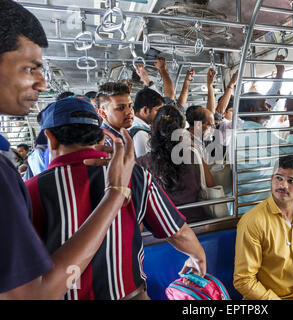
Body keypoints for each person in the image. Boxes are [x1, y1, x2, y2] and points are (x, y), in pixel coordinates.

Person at [0, 0, 136, 299]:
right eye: (30, 67)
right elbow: (31, 295)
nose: (41, 82)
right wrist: (116, 192)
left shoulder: (32, 185)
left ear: (50, 138)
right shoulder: (130, 175)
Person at [25, 97, 207, 299]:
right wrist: (197, 256)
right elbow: (177, 232)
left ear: (51, 138)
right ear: (100, 136)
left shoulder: (30, 191)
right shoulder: (134, 175)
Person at [233, 155, 293, 300]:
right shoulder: (253, 221)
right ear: (271, 179)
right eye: (278, 178)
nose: (283, 185)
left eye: (291, 181)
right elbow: (244, 280)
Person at [137, 105, 210, 224]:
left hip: (160, 228)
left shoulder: (140, 164)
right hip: (196, 222)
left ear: (153, 129)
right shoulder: (193, 155)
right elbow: (207, 185)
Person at [96, 81, 134, 146]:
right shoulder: (105, 142)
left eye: (130, 106)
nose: (129, 112)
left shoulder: (124, 134)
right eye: (121, 108)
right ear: (103, 113)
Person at [130, 86, 164, 157]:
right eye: (157, 111)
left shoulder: (134, 125)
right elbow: (146, 166)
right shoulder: (141, 134)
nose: (160, 115)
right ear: (145, 110)